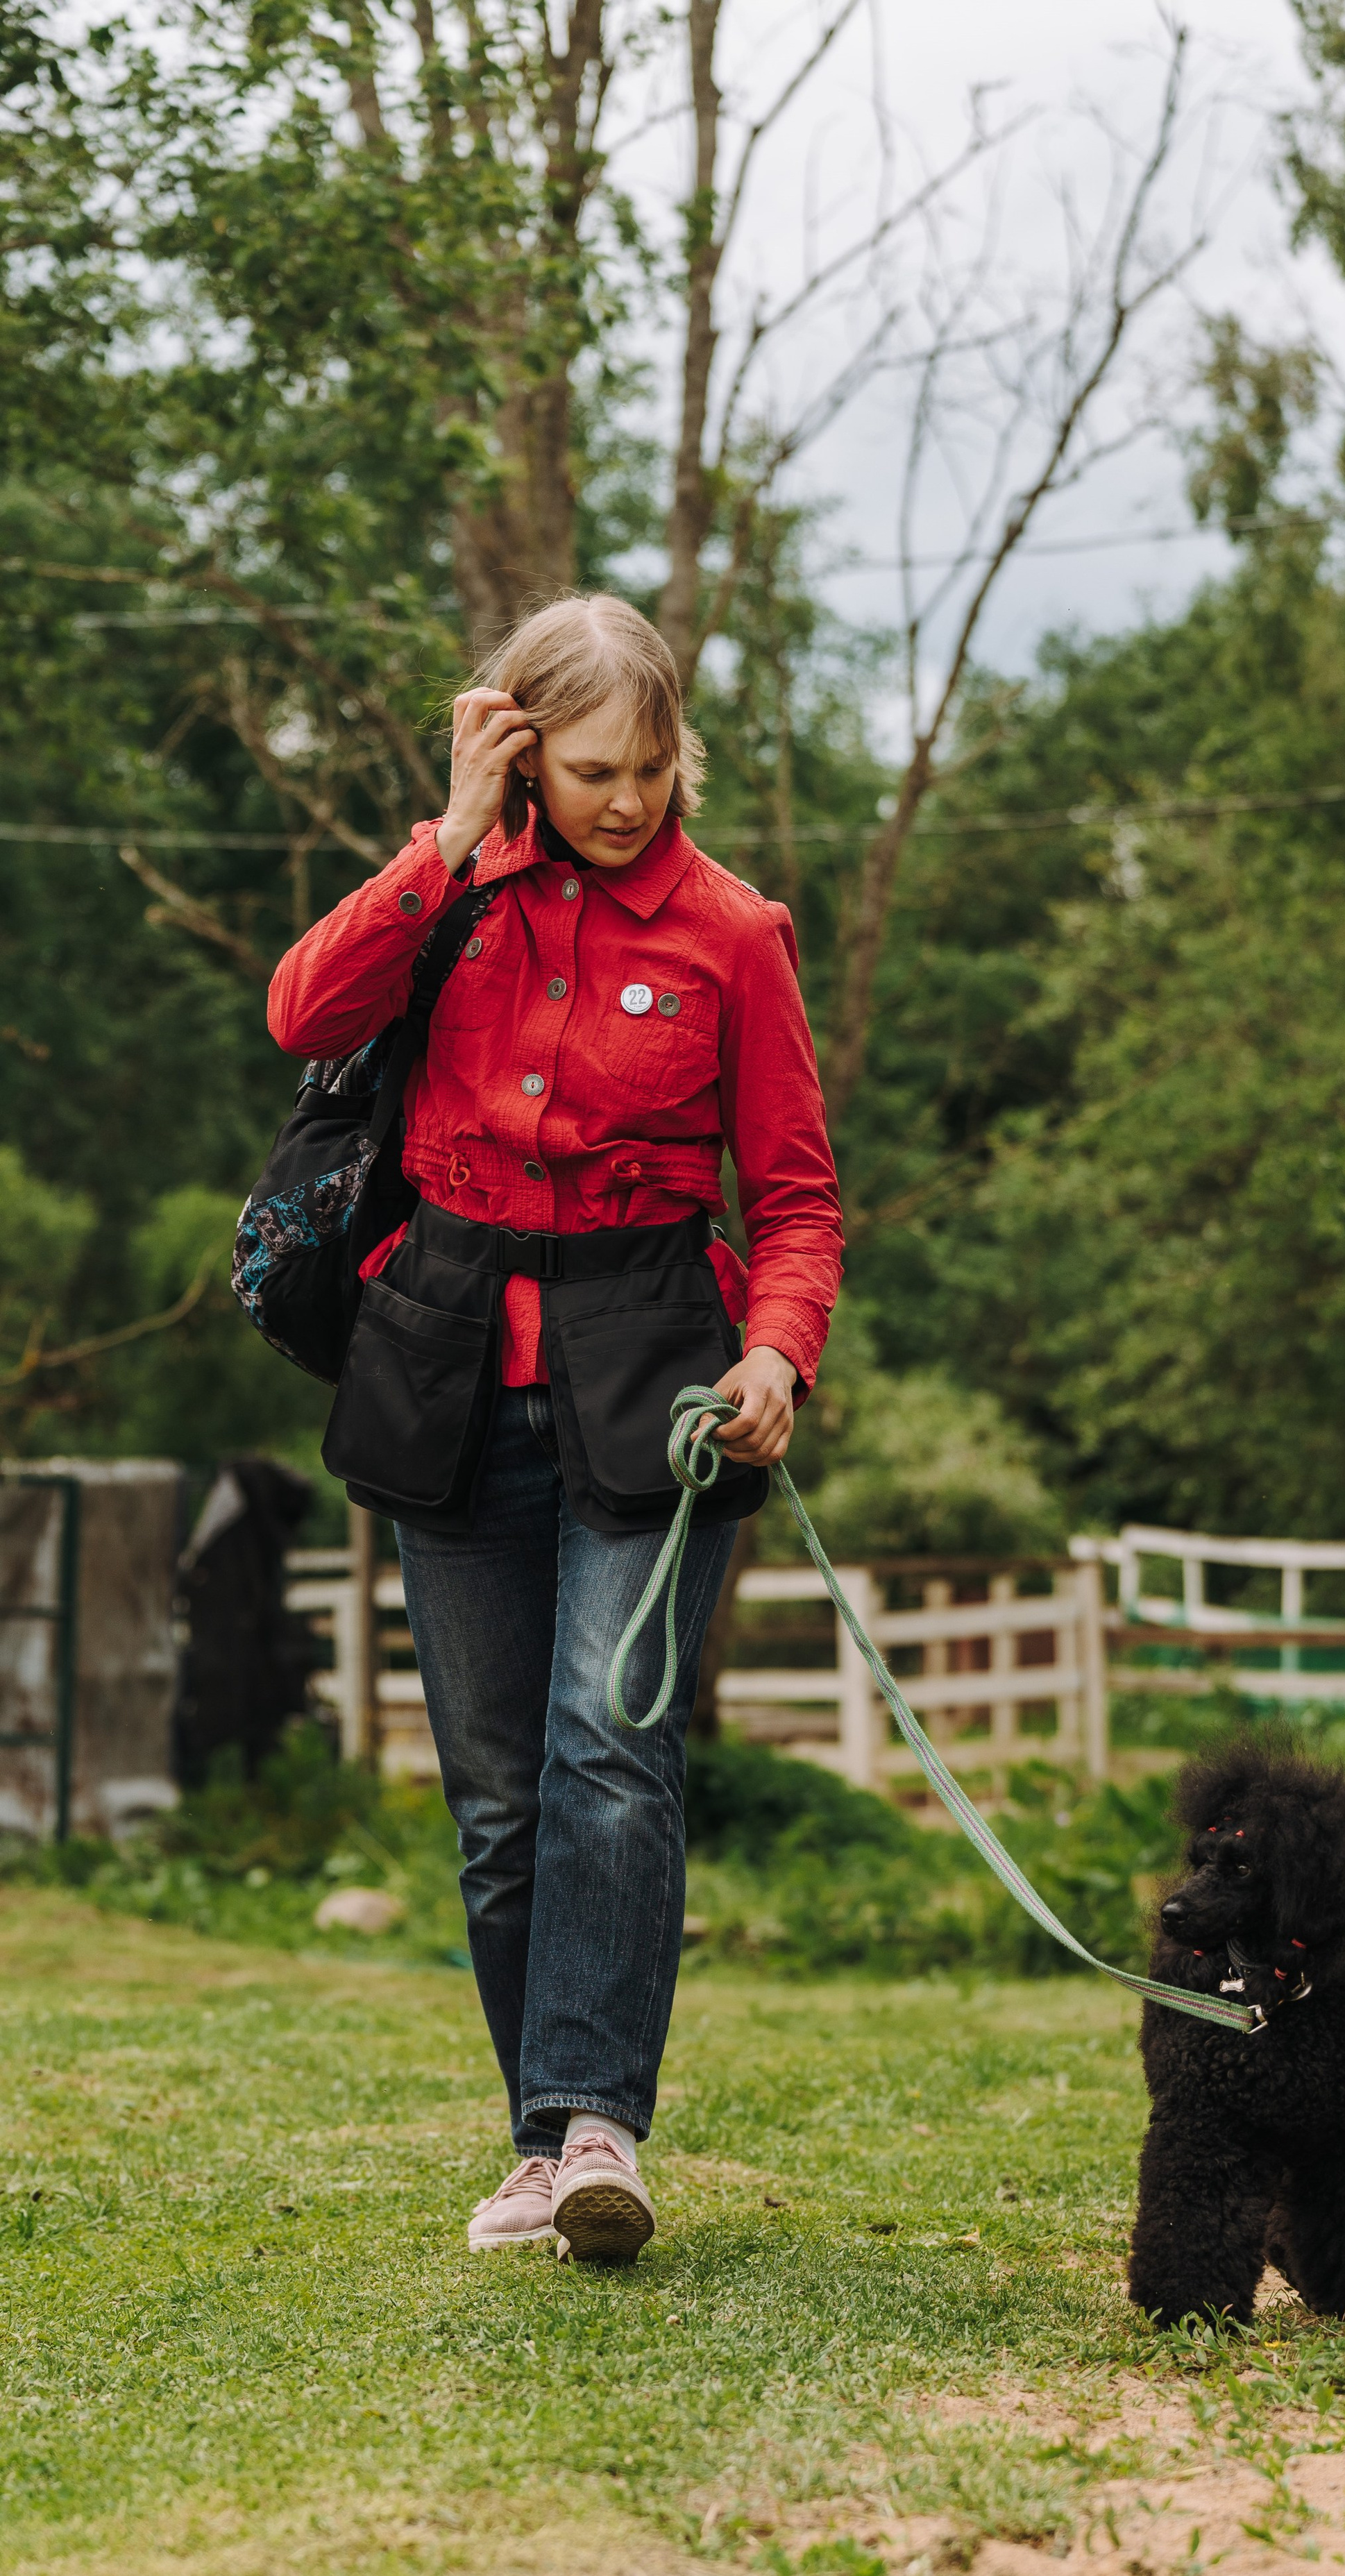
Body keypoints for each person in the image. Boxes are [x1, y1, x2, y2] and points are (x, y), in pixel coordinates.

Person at [267, 593, 843, 2264]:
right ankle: (540, 2142)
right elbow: (307, 1015)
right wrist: (446, 836)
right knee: (502, 1795)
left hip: (650, 1378)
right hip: (446, 1365)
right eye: (591, 768)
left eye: (652, 768)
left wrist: (777, 1355)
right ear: (516, 747)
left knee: (610, 1743)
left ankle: (600, 2126)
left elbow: (794, 1195)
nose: (626, 799)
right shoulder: (448, 888)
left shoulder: (735, 933)